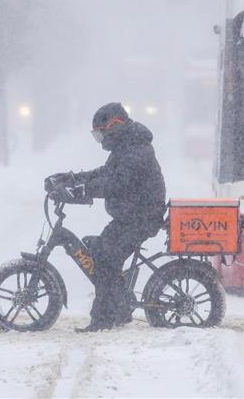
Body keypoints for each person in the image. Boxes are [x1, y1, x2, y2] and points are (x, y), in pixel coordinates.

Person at [49, 103, 166, 332]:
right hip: (132, 215)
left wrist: (82, 191)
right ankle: (120, 309)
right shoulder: (127, 146)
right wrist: (72, 179)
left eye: (100, 133)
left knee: (105, 261)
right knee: (101, 250)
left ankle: (103, 320)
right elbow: (105, 173)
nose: (100, 139)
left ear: (114, 126)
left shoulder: (135, 150)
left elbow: (116, 183)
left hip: (140, 217)